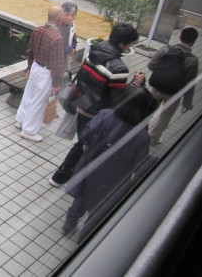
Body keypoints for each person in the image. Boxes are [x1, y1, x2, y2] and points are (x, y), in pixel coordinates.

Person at [50, 23, 145, 187]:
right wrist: (136, 83)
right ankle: (61, 176)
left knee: (83, 143)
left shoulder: (93, 51)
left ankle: (66, 175)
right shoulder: (118, 68)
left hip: (82, 104)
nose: (130, 47)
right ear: (124, 44)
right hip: (97, 114)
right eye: (130, 44)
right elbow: (120, 97)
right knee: (85, 146)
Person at [62, 87, 157, 240]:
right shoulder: (141, 136)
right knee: (99, 212)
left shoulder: (105, 114)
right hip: (114, 181)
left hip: (90, 169)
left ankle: (69, 222)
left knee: (80, 197)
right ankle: (85, 238)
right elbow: (141, 167)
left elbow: (85, 136)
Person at [15, 6, 65, 142]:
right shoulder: (57, 38)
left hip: (36, 66)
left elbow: (30, 50)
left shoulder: (38, 30)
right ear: (59, 18)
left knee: (28, 95)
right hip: (46, 73)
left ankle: (20, 120)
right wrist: (56, 83)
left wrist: (29, 67)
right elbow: (57, 63)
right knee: (38, 101)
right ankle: (29, 131)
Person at [147, 27, 199, 145]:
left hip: (157, 86)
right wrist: (187, 102)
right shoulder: (193, 60)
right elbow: (190, 82)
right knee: (165, 117)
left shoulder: (166, 49)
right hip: (174, 93)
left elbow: (151, 66)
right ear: (194, 41)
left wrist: (162, 71)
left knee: (149, 109)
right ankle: (154, 138)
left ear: (180, 37)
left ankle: (139, 130)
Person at [59, 1, 78, 84]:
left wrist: (73, 47)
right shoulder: (57, 26)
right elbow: (54, 46)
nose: (69, 18)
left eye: (72, 15)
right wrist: (69, 49)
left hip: (67, 58)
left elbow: (74, 39)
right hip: (56, 60)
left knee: (64, 74)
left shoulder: (72, 25)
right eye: (67, 14)